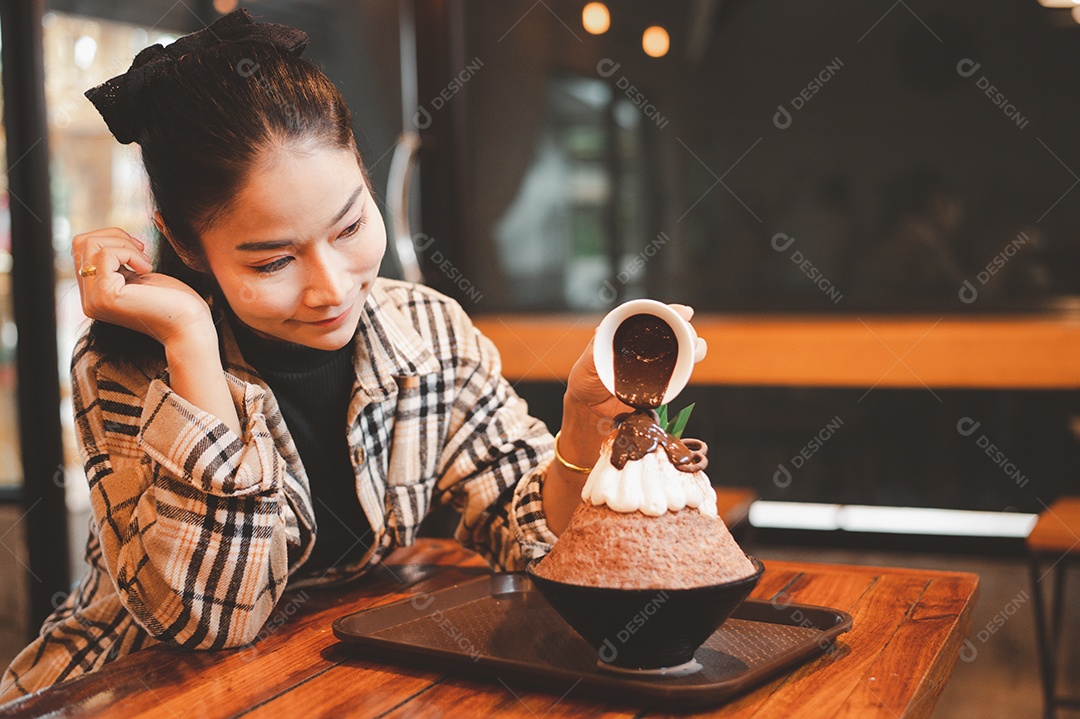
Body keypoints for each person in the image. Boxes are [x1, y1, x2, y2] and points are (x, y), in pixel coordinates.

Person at [0, 8, 703, 702]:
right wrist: (189, 337)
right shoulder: (125, 365)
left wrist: (582, 417)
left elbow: (537, 542)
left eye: (351, 225)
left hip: (318, 679)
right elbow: (210, 620)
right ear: (184, 245)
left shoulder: (426, 331)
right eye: (274, 260)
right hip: (122, 687)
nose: (331, 288)